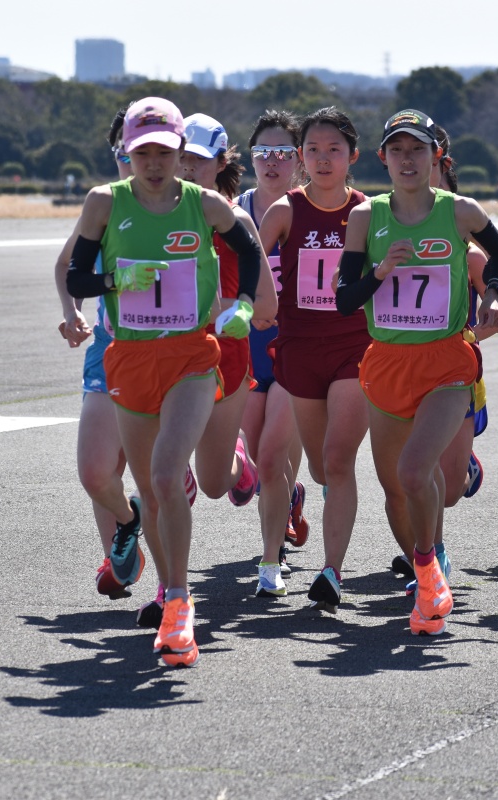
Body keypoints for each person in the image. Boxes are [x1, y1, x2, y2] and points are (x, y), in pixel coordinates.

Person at [65, 97, 265, 667]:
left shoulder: (206, 205)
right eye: (142, 153)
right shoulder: (105, 202)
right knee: (152, 492)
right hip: (129, 359)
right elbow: (76, 275)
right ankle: (170, 586)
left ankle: (178, 601)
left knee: (163, 474)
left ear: (180, 154)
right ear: (128, 154)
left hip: (191, 358)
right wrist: (114, 281)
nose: (153, 163)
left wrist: (244, 303)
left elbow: (249, 249)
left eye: (164, 152)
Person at [337, 109, 498, 635]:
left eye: (417, 149)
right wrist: (381, 271)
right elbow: (344, 299)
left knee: (415, 472)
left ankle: (428, 570)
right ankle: (427, 572)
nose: (407, 159)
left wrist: (496, 294)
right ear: (383, 158)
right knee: (395, 490)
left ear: (435, 156)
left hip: (446, 362)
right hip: (386, 363)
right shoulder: (365, 217)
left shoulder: (460, 211)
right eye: (397, 150)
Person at [54, 105, 166, 620]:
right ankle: (125, 530)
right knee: (98, 471)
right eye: (127, 149)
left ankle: (169, 588)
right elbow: (66, 267)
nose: (136, 158)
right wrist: (72, 313)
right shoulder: (103, 204)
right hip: (109, 348)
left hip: (172, 355)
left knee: (154, 475)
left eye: (150, 148)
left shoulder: (182, 204)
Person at [258, 107, 370, 611]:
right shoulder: (285, 210)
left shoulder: (369, 212)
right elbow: (249, 263)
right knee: (322, 466)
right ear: (301, 157)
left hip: (354, 347)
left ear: (353, 156)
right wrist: (252, 303)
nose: (323, 160)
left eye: (334, 150)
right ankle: (309, 501)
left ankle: (331, 571)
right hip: (300, 349)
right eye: (313, 150)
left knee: (339, 460)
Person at [177, 113, 279, 530]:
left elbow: (268, 305)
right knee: (161, 461)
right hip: (167, 354)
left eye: (198, 161)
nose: (187, 169)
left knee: (215, 484)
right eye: (180, 158)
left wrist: (230, 308)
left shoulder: (237, 220)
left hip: (225, 359)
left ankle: (240, 459)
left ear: (221, 163)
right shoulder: (153, 219)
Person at [236, 110, 310, 597]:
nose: (272, 161)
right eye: (263, 152)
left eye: (283, 153)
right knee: (259, 464)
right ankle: (288, 497)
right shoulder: (234, 211)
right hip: (246, 349)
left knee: (271, 454)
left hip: (296, 348)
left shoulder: (311, 210)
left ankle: (271, 558)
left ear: (298, 160)